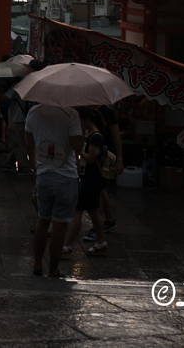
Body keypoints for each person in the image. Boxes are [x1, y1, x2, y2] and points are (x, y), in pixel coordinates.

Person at [25, 104, 84, 278]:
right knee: (59, 224)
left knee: (42, 220)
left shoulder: (33, 112)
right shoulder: (71, 114)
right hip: (65, 176)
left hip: (43, 174)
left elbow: (28, 144)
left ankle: (37, 265)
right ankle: (53, 269)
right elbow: (77, 146)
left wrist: (36, 168)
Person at [62, 108, 110, 259]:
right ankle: (101, 243)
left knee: (78, 211)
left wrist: (78, 150)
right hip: (87, 176)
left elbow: (90, 158)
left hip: (92, 178)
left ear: (85, 119)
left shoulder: (96, 136)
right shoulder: (88, 134)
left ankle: (67, 245)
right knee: (93, 211)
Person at [83, 104, 123, 241]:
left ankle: (96, 228)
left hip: (104, 157)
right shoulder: (86, 110)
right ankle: (110, 220)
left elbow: (117, 137)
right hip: (94, 155)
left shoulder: (106, 111)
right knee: (100, 189)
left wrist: (120, 159)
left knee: (97, 191)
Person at [2, 88, 34, 175]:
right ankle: (10, 163)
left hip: (16, 119)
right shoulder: (25, 85)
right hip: (22, 118)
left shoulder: (16, 87)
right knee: (14, 142)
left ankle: (24, 166)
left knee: (18, 143)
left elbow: (4, 97)